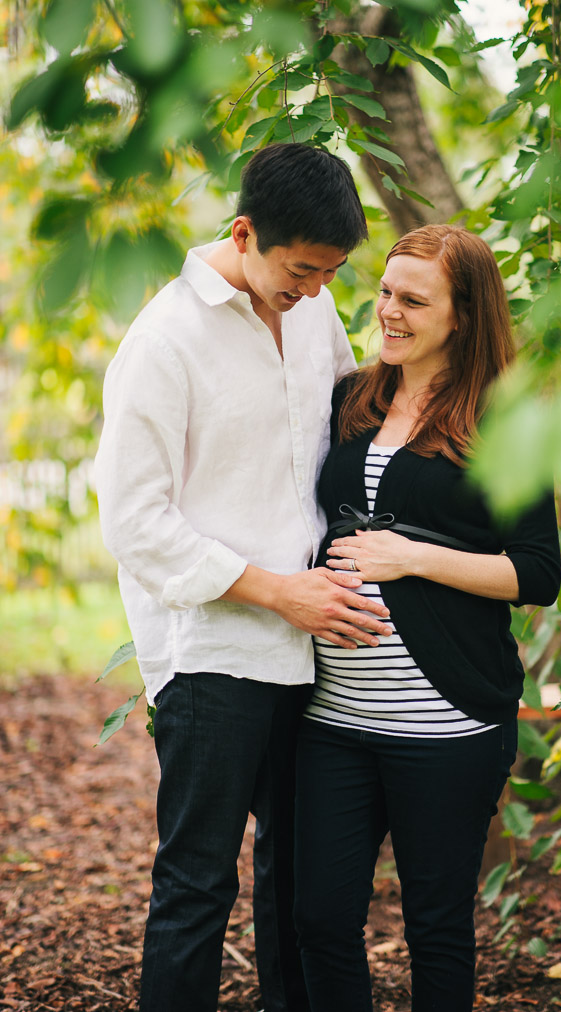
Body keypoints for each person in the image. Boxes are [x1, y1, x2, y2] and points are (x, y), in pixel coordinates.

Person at [94, 143, 393, 1012]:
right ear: (243, 232)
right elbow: (135, 523)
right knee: (197, 887)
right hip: (213, 654)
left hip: (314, 649)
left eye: (332, 273)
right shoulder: (162, 343)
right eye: (302, 270)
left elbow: (347, 435)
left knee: (300, 882)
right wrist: (276, 589)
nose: (314, 290)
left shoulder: (314, 310)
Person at [293, 224, 561, 1012]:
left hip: (448, 728)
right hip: (334, 718)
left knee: (436, 927)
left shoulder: (508, 422)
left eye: (414, 300)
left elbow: (537, 573)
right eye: (384, 291)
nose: (389, 312)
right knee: (318, 919)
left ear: (465, 316)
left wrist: (413, 558)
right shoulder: (354, 397)